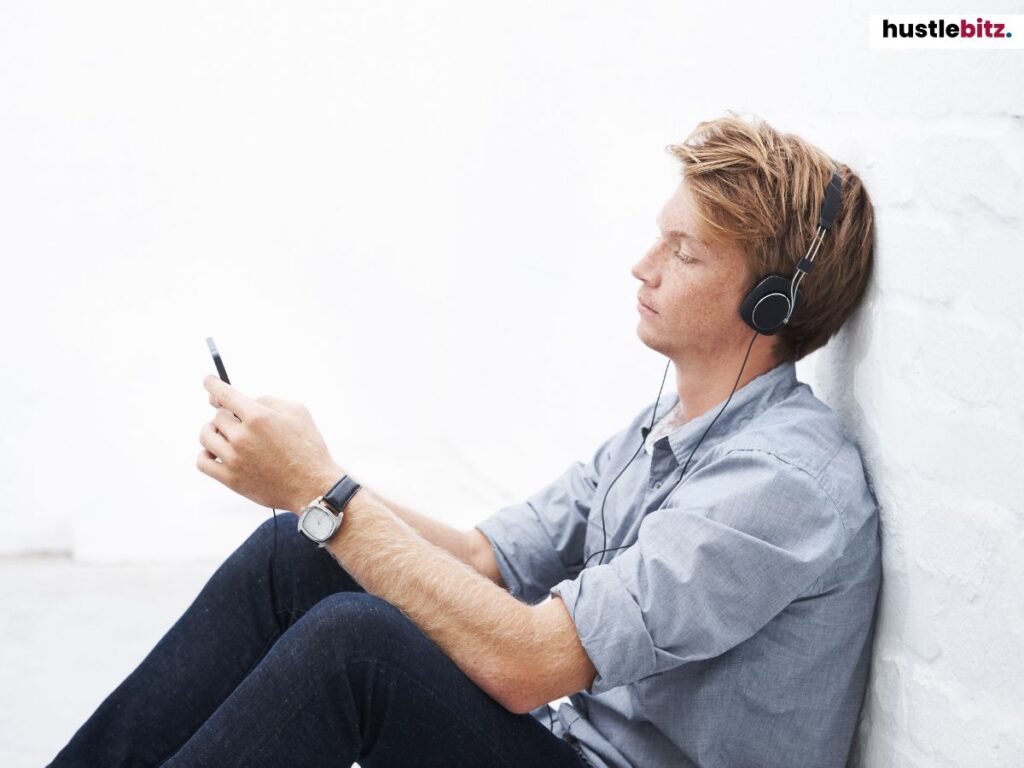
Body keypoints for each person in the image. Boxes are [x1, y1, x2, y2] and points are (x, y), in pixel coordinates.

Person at [47, 112, 879, 768]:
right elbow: (486, 560)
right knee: (296, 555)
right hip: (567, 747)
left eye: (683, 252)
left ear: (770, 306)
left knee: (357, 650)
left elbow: (533, 665)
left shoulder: (780, 485)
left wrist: (325, 497)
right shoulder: (673, 425)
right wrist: (309, 480)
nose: (642, 265)